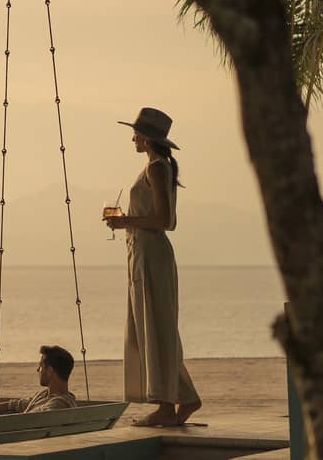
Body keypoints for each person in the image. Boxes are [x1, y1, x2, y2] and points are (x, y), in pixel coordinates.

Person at [105, 107, 202, 427]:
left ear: (147, 138)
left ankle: (165, 404)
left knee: (155, 327)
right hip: (143, 254)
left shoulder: (157, 168)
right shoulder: (155, 167)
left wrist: (124, 221)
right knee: (153, 326)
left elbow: (165, 221)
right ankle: (182, 397)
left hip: (151, 256)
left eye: (135, 132)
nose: (132, 137)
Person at [0, 346, 78, 415]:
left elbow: (32, 418)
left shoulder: (59, 404)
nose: (38, 370)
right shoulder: (44, 396)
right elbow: (13, 405)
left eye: (41, 366)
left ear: (50, 371)